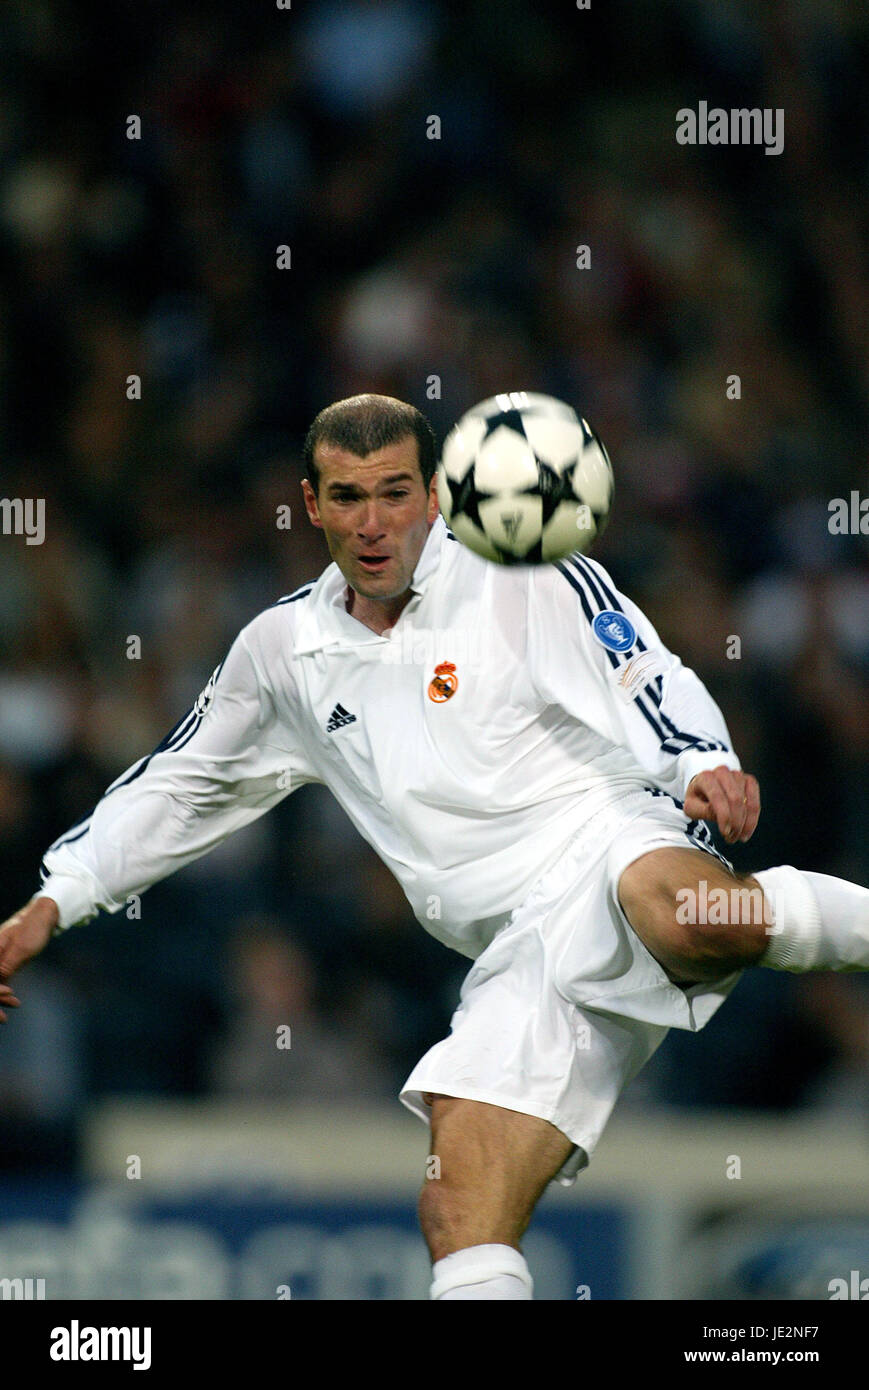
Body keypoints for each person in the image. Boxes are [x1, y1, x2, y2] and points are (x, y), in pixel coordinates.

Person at [1, 393, 867, 1301]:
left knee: (685, 912)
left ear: (436, 497)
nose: (372, 524)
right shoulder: (282, 652)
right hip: (514, 953)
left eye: (394, 493)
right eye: (346, 497)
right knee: (456, 1211)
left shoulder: (520, 573)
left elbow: (640, 666)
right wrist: (54, 902)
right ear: (310, 503)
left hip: (608, 838)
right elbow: (177, 786)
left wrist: (700, 759)